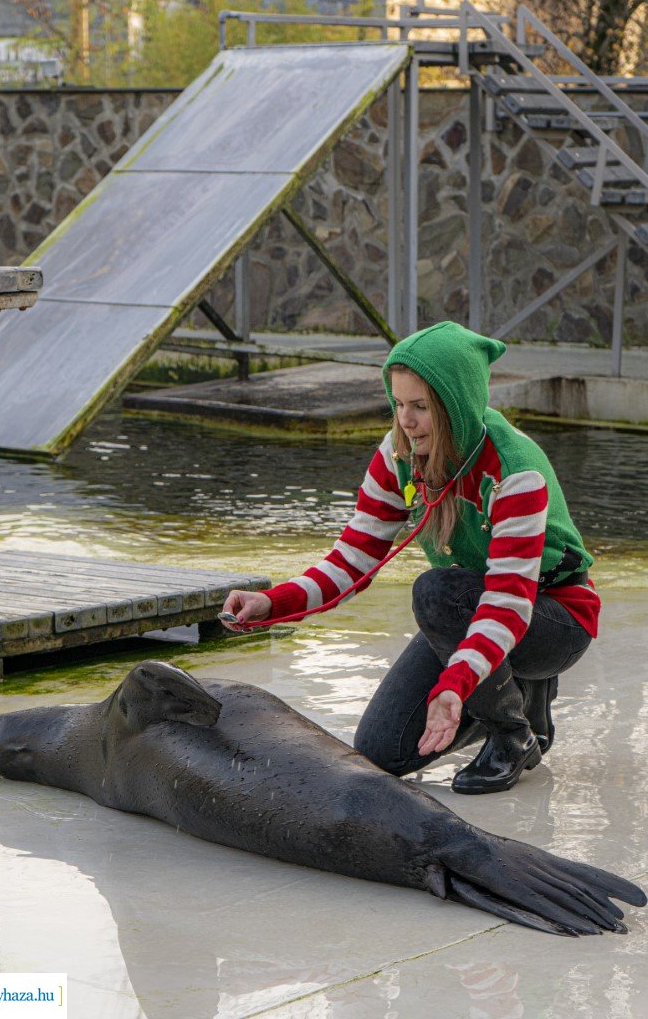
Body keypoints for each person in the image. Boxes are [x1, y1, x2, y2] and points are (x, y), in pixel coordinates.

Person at [222, 322, 600, 794]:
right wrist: (272, 604)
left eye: (420, 407)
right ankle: (518, 696)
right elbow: (352, 558)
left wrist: (456, 684)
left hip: (554, 617)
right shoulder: (400, 454)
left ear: (455, 407)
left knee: (436, 590)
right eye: (398, 404)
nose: (405, 420)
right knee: (385, 750)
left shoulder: (516, 473)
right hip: (473, 610)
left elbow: (508, 601)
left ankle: (511, 733)